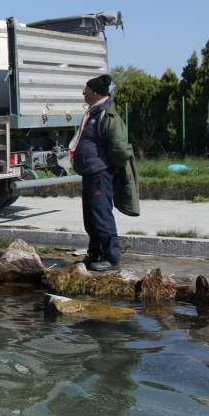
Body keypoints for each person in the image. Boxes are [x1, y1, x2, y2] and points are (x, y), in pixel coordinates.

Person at [69, 74, 140, 272]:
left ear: (93, 92)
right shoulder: (93, 113)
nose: (83, 93)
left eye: (85, 90)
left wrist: (107, 167)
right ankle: (96, 254)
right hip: (90, 173)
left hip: (100, 174)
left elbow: (119, 149)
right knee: (90, 216)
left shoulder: (109, 117)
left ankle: (111, 257)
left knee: (101, 215)